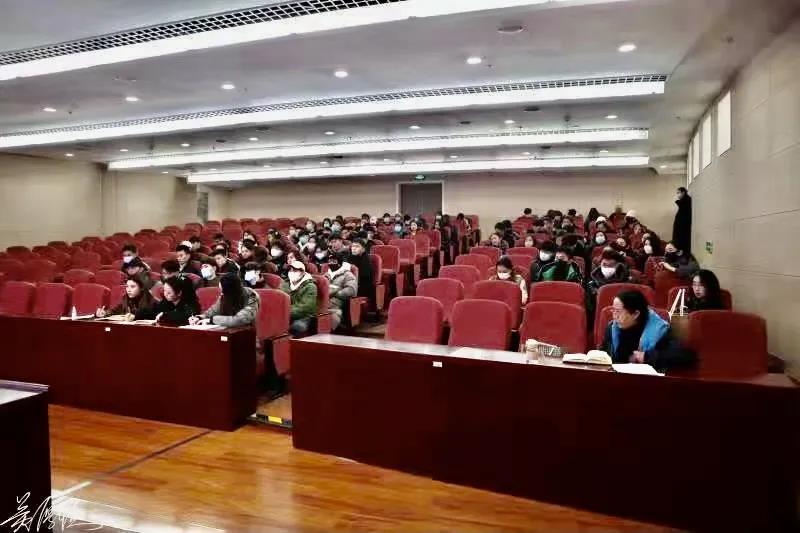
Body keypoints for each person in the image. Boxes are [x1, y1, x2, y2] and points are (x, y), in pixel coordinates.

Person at [601, 290, 694, 372]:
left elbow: (683, 356)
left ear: (636, 314)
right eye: (613, 310)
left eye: (618, 311)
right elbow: (604, 355)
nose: (614, 316)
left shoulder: (660, 331)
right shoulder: (612, 328)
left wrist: (646, 356)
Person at [191, 274, 260, 328]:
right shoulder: (225, 295)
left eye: (223, 291)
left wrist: (212, 320)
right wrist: (200, 317)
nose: (221, 294)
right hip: (226, 330)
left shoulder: (251, 295)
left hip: (245, 331)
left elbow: (239, 319)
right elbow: (213, 311)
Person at [135, 276, 199, 326]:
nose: (165, 294)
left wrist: (165, 315)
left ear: (179, 293)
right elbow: (154, 311)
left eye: (169, 292)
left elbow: (185, 316)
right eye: (164, 291)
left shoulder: (190, 303)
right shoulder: (166, 302)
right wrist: (139, 313)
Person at [281, 261, 318, 337]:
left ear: (302, 272)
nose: (292, 272)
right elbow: (280, 301)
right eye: (290, 270)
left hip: (304, 316)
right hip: (286, 314)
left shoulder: (310, 286)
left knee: (297, 327)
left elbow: (306, 307)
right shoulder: (285, 284)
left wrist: (286, 312)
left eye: (295, 270)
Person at [324, 253, 358, 331]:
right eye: (329, 261)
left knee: (331, 314)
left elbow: (351, 290)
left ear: (339, 263)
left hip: (336, 302)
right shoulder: (326, 274)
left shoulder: (347, 274)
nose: (331, 263)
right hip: (323, 301)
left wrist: (335, 292)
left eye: (334, 261)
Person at [673, 187, 692, 253]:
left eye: (678, 193)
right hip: (681, 227)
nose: (677, 195)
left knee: (681, 241)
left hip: (683, 228)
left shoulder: (686, 201)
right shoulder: (683, 201)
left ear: (683, 192)